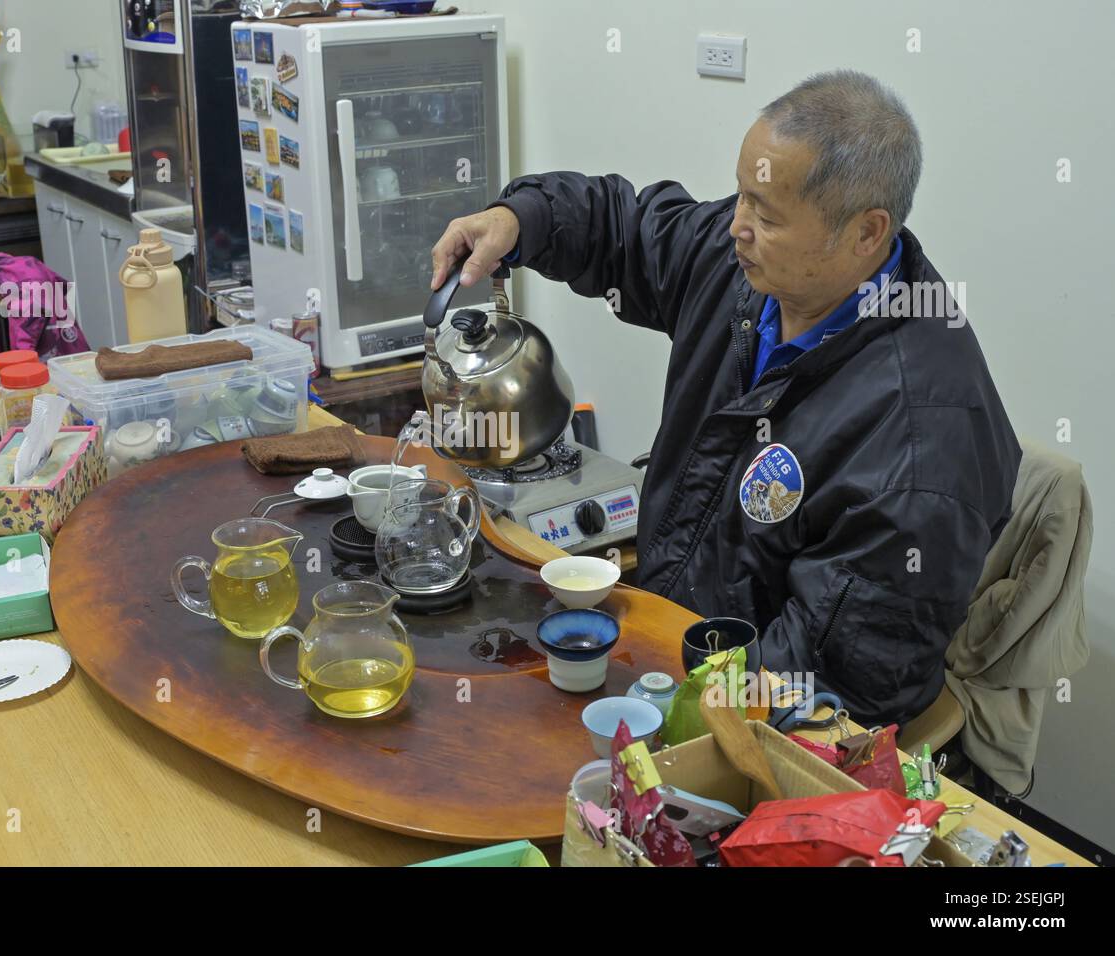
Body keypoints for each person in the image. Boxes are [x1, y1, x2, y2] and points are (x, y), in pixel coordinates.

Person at [429, 70, 1020, 726]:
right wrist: (521, 219)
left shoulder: (918, 443)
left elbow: (829, 679)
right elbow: (628, 228)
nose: (735, 225)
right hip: (666, 639)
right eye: (741, 196)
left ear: (866, 233)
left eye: (765, 215)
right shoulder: (755, 269)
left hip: (754, 725)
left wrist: (662, 711)